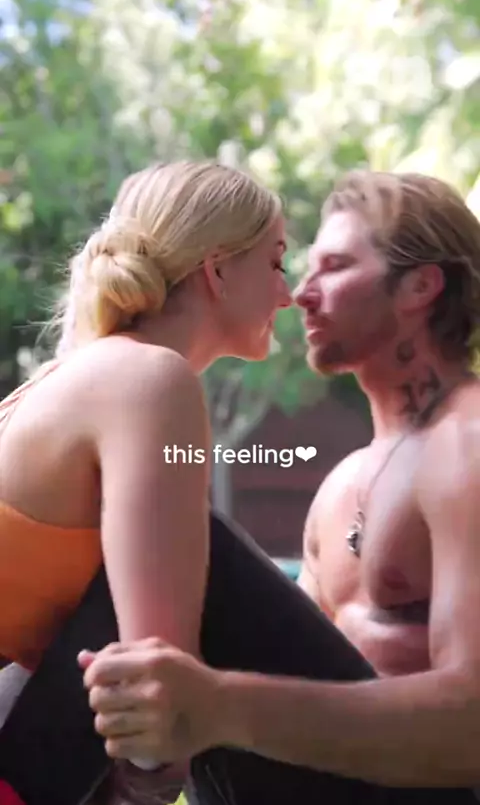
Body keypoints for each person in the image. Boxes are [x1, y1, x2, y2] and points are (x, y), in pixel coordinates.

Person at [82, 170, 480, 793]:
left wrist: (219, 705)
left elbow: (472, 727)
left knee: (194, 542)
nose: (301, 295)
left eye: (335, 267)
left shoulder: (467, 445)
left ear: (420, 286)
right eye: (300, 268)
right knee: (128, 542)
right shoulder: (340, 487)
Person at [0, 160, 291, 796]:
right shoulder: (150, 379)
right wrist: (158, 760)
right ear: (218, 270)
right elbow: (158, 681)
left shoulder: (69, 380)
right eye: (276, 264)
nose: (288, 294)